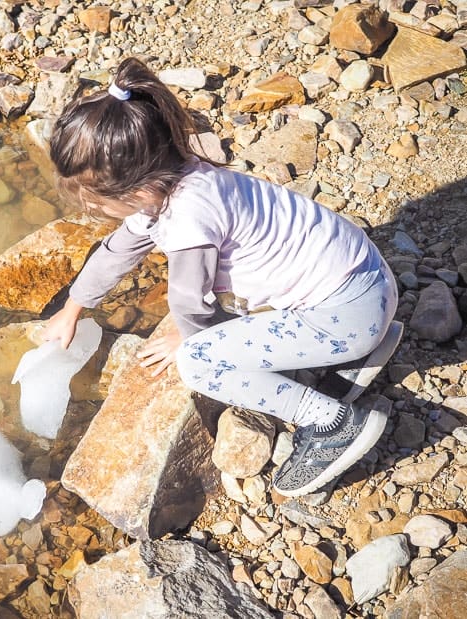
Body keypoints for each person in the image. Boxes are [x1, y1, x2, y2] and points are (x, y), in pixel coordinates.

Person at [41, 57, 403, 498]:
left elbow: (190, 304)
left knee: (200, 364)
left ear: (137, 190)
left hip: (347, 316)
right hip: (370, 282)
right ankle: (354, 355)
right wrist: (73, 307)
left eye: (96, 204)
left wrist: (190, 341)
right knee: (230, 320)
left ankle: (333, 424)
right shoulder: (182, 178)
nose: (93, 212)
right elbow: (117, 252)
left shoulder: (188, 218)